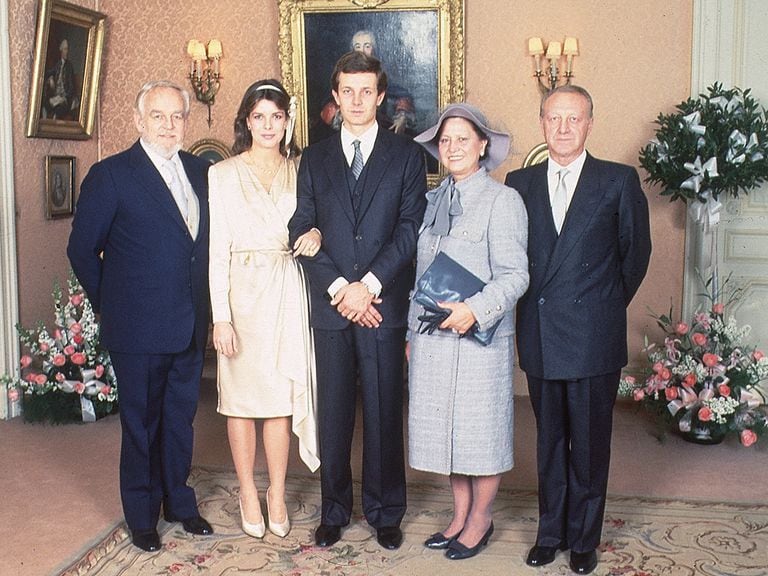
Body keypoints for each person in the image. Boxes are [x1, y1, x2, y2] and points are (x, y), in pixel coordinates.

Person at [504, 85, 651, 575]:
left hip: (592, 335)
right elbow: (510, 258)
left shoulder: (617, 180)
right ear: (542, 123)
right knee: (548, 443)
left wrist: (601, 308)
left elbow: (635, 257)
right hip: (542, 332)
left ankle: (584, 539)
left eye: (574, 119)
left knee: (589, 445)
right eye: (554, 119)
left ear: (590, 124)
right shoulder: (518, 183)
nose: (563, 129)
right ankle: (551, 534)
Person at [288, 50, 427, 551]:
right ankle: (334, 511)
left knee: (385, 410)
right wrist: (338, 290)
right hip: (332, 309)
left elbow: (410, 231)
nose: (356, 99)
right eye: (347, 90)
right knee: (334, 416)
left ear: (381, 96)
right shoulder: (315, 156)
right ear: (335, 95)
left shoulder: (407, 156)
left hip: (381, 306)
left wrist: (367, 285)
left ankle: (385, 512)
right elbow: (301, 228)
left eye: (366, 90)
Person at [67, 80, 213, 553]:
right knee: (141, 426)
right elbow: (82, 250)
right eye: (158, 116)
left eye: (177, 117)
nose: (169, 126)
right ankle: (142, 515)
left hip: (189, 323)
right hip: (137, 327)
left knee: (179, 420)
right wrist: (112, 303)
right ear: (138, 120)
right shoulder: (111, 175)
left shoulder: (199, 170)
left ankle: (180, 503)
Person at [408, 103, 529, 560]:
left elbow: (516, 275)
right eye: (445, 140)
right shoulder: (432, 202)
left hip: (480, 342)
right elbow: (419, 278)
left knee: (481, 432)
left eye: (463, 139)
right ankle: (458, 515)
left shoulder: (503, 201)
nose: (453, 147)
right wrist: (407, 334)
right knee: (447, 432)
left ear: (482, 146)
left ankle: (481, 519)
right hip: (433, 341)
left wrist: (474, 311)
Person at [208, 79, 321, 539]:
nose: (268, 125)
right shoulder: (222, 173)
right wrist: (220, 316)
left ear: (287, 121)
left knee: (278, 398)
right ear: (246, 121)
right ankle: (247, 491)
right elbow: (217, 249)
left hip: (285, 292)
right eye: (259, 117)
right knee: (241, 401)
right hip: (241, 293)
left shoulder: (303, 170)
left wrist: (317, 235)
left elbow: (320, 220)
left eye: (276, 116)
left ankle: (275, 491)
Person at [44, 39, 77, 120]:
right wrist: (50, 78)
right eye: (65, 49)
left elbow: (72, 87)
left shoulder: (69, 66)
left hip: (65, 98)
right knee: (44, 103)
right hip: (56, 96)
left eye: (67, 49)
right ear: (61, 50)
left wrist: (64, 97)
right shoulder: (58, 64)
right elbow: (49, 72)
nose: (67, 51)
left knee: (59, 108)